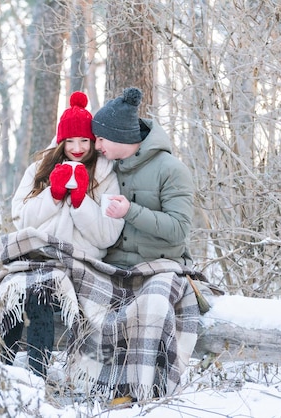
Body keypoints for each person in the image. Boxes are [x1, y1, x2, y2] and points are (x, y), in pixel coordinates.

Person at [87, 86, 198, 401]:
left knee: (151, 305)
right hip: (114, 265)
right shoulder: (106, 168)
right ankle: (93, 382)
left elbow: (178, 231)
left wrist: (130, 212)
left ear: (120, 137)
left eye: (101, 139)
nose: (96, 145)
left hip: (160, 265)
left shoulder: (171, 170)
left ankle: (144, 389)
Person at [2, 91, 125, 377]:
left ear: (94, 141)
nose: (78, 148)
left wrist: (82, 202)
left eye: (84, 140)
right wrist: (53, 194)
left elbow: (107, 236)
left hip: (80, 264)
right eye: (70, 141)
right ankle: (0, 372)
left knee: (40, 292)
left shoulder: (107, 176)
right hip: (38, 256)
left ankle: (36, 376)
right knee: (16, 291)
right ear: (61, 141)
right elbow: (21, 218)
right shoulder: (39, 169)